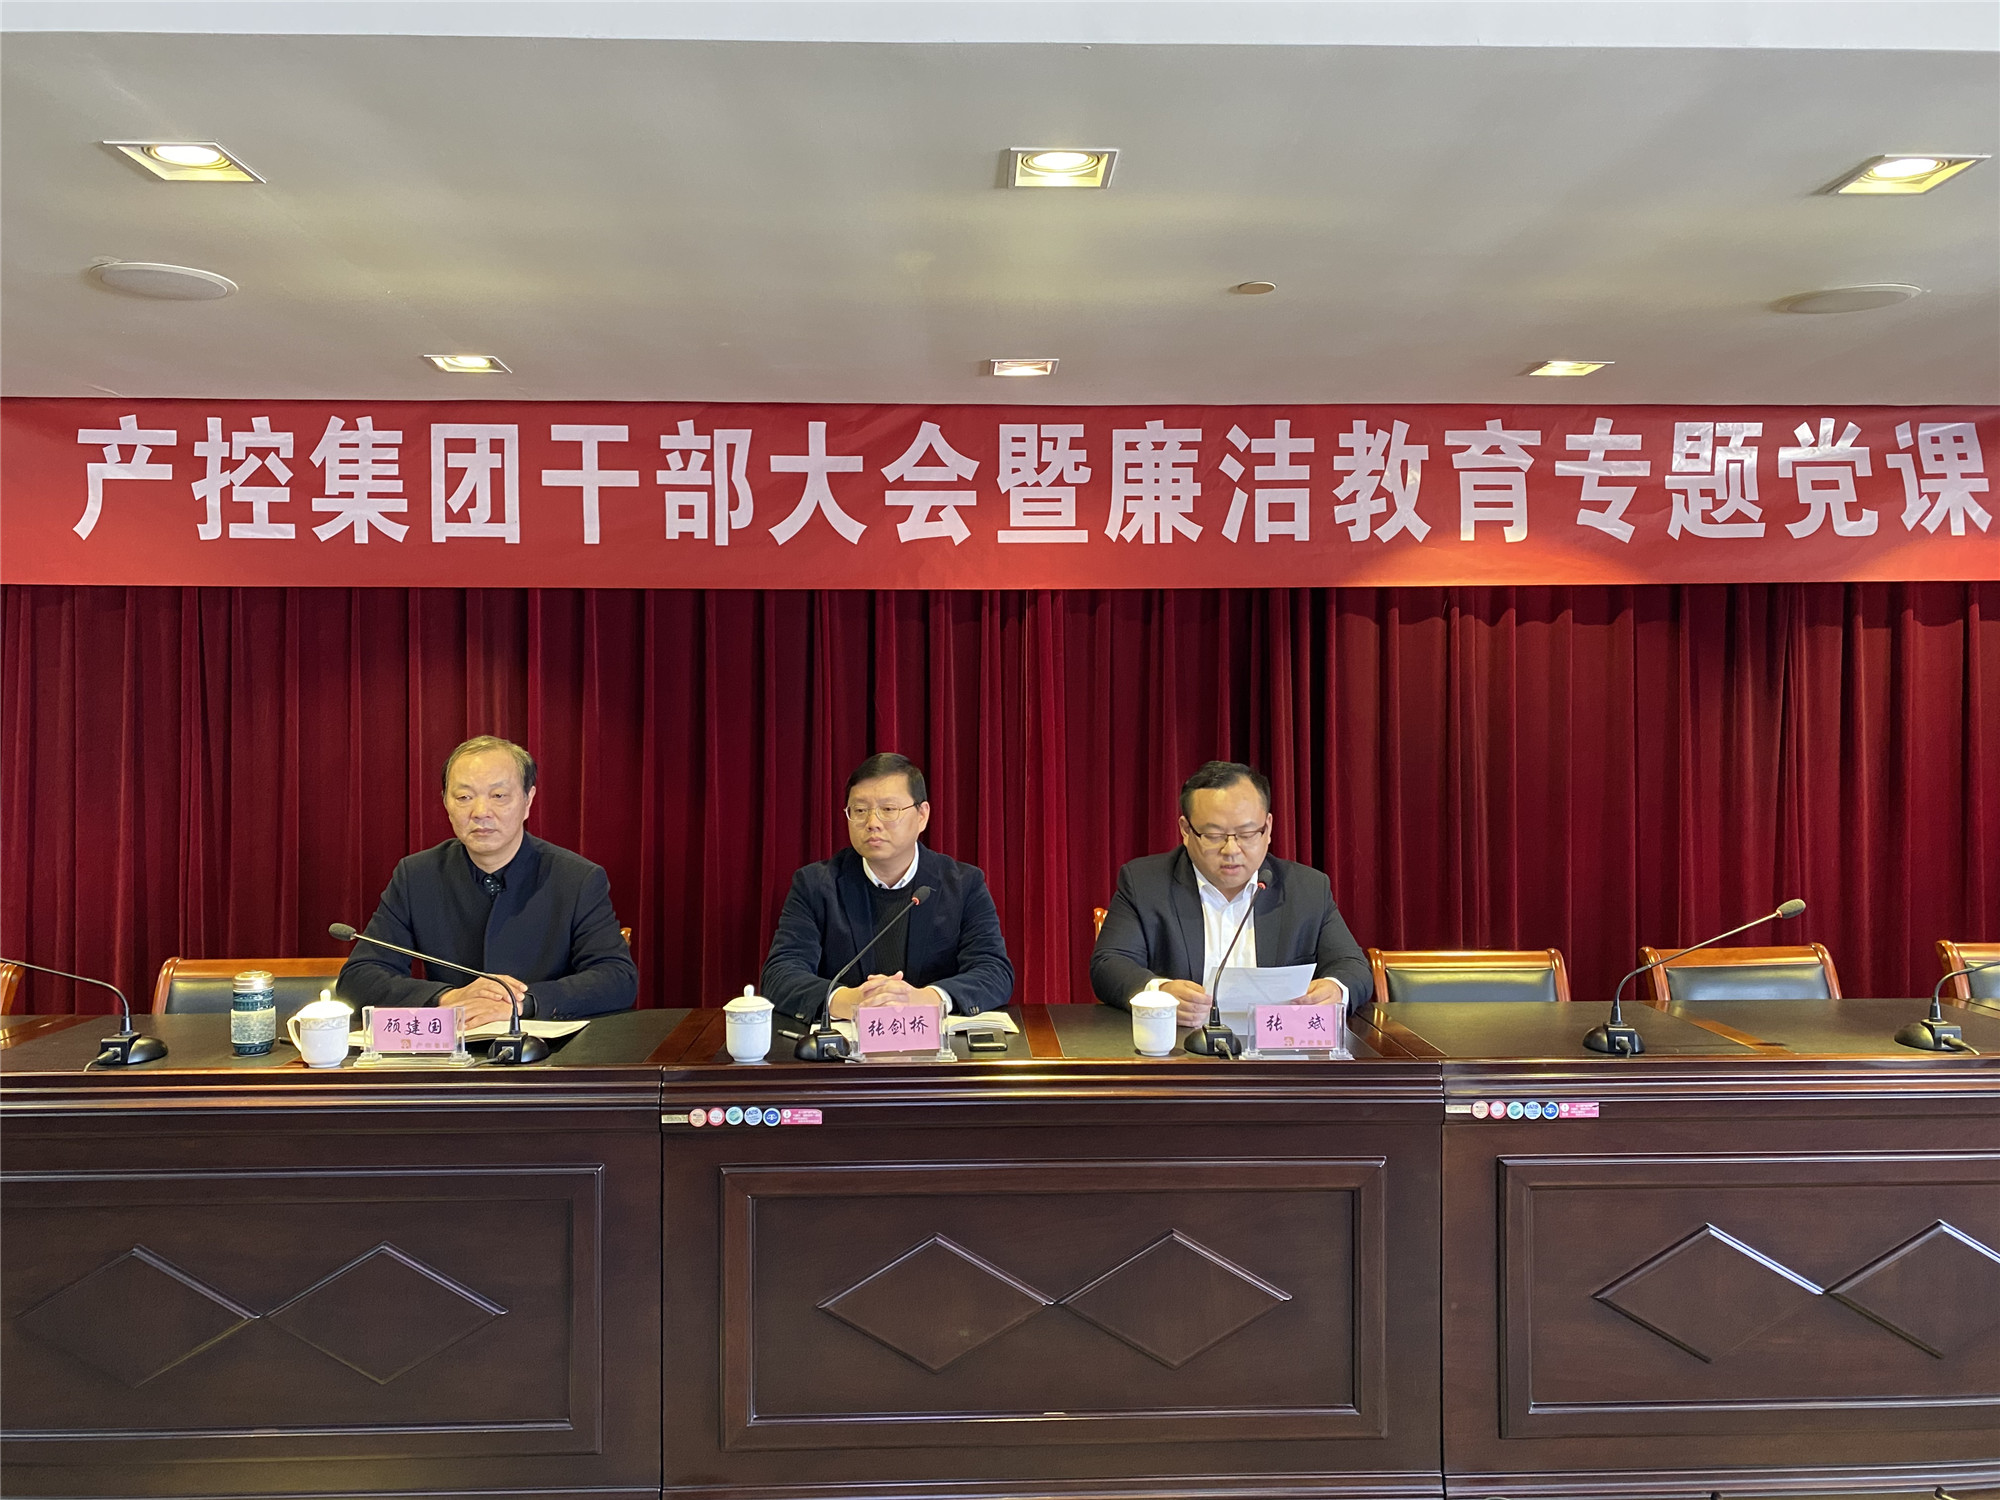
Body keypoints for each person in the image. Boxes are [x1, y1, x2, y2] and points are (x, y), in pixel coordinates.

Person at [339, 735, 638, 1026]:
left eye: (498, 796)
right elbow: (359, 977)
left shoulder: (577, 878)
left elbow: (617, 978)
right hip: (451, 1048)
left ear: (528, 800)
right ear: (445, 803)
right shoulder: (416, 876)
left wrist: (523, 1003)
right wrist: (447, 997)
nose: (481, 813)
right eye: (464, 797)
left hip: (548, 1049)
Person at [1091, 760, 1371, 1025]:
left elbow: (1352, 966)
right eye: (1214, 836)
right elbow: (1109, 964)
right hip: (1181, 1047)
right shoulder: (1145, 884)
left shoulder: (1307, 889)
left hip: (1277, 1048)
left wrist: (1335, 989)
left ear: (1268, 828)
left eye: (1247, 834)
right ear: (1186, 830)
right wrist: (1159, 993)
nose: (1231, 850)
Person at [761, 752, 1014, 1024]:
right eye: (860, 810)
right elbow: (780, 974)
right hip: (847, 1045)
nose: (873, 823)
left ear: (922, 815)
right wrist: (847, 1001)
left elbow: (994, 971)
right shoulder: (815, 885)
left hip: (936, 1044)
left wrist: (927, 999)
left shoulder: (963, 884)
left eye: (888, 809)